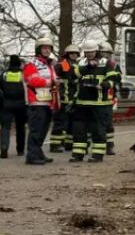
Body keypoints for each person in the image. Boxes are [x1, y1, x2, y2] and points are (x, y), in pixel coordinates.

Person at [70, 41, 110, 163]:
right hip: (82, 102)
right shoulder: (80, 62)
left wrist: (104, 85)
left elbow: (115, 78)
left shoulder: (107, 63)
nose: (89, 54)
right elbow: (73, 75)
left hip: (98, 103)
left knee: (97, 129)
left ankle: (97, 155)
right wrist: (88, 67)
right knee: (79, 130)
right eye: (87, 52)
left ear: (97, 51)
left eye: (91, 52)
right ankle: (78, 154)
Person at [23, 37, 59, 165]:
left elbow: (54, 79)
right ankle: (32, 156)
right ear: (38, 49)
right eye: (44, 47)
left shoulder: (48, 64)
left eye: (49, 48)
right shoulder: (32, 63)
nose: (47, 50)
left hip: (48, 102)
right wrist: (50, 82)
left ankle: (38, 152)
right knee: (36, 130)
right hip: (36, 102)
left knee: (43, 130)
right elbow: (31, 80)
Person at [52, 44, 80, 152]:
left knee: (71, 122)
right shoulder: (63, 65)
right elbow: (58, 79)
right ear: (67, 54)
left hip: (73, 98)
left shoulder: (76, 65)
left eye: (75, 53)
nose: (73, 55)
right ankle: (55, 145)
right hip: (63, 98)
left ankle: (69, 144)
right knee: (60, 122)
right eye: (71, 53)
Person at [0, 55, 26, 158]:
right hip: (21, 104)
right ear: (19, 63)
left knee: (5, 127)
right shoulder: (22, 74)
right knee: (20, 127)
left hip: (6, 104)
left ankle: (4, 148)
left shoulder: (4, 74)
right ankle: (20, 150)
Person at [98, 41, 121, 154]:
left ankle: (109, 146)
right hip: (96, 98)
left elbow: (118, 80)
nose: (105, 55)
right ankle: (96, 144)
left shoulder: (114, 65)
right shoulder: (95, 64)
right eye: (103, 53)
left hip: (110, 97)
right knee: (95, 123)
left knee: (108, 123)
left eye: (107, 53)